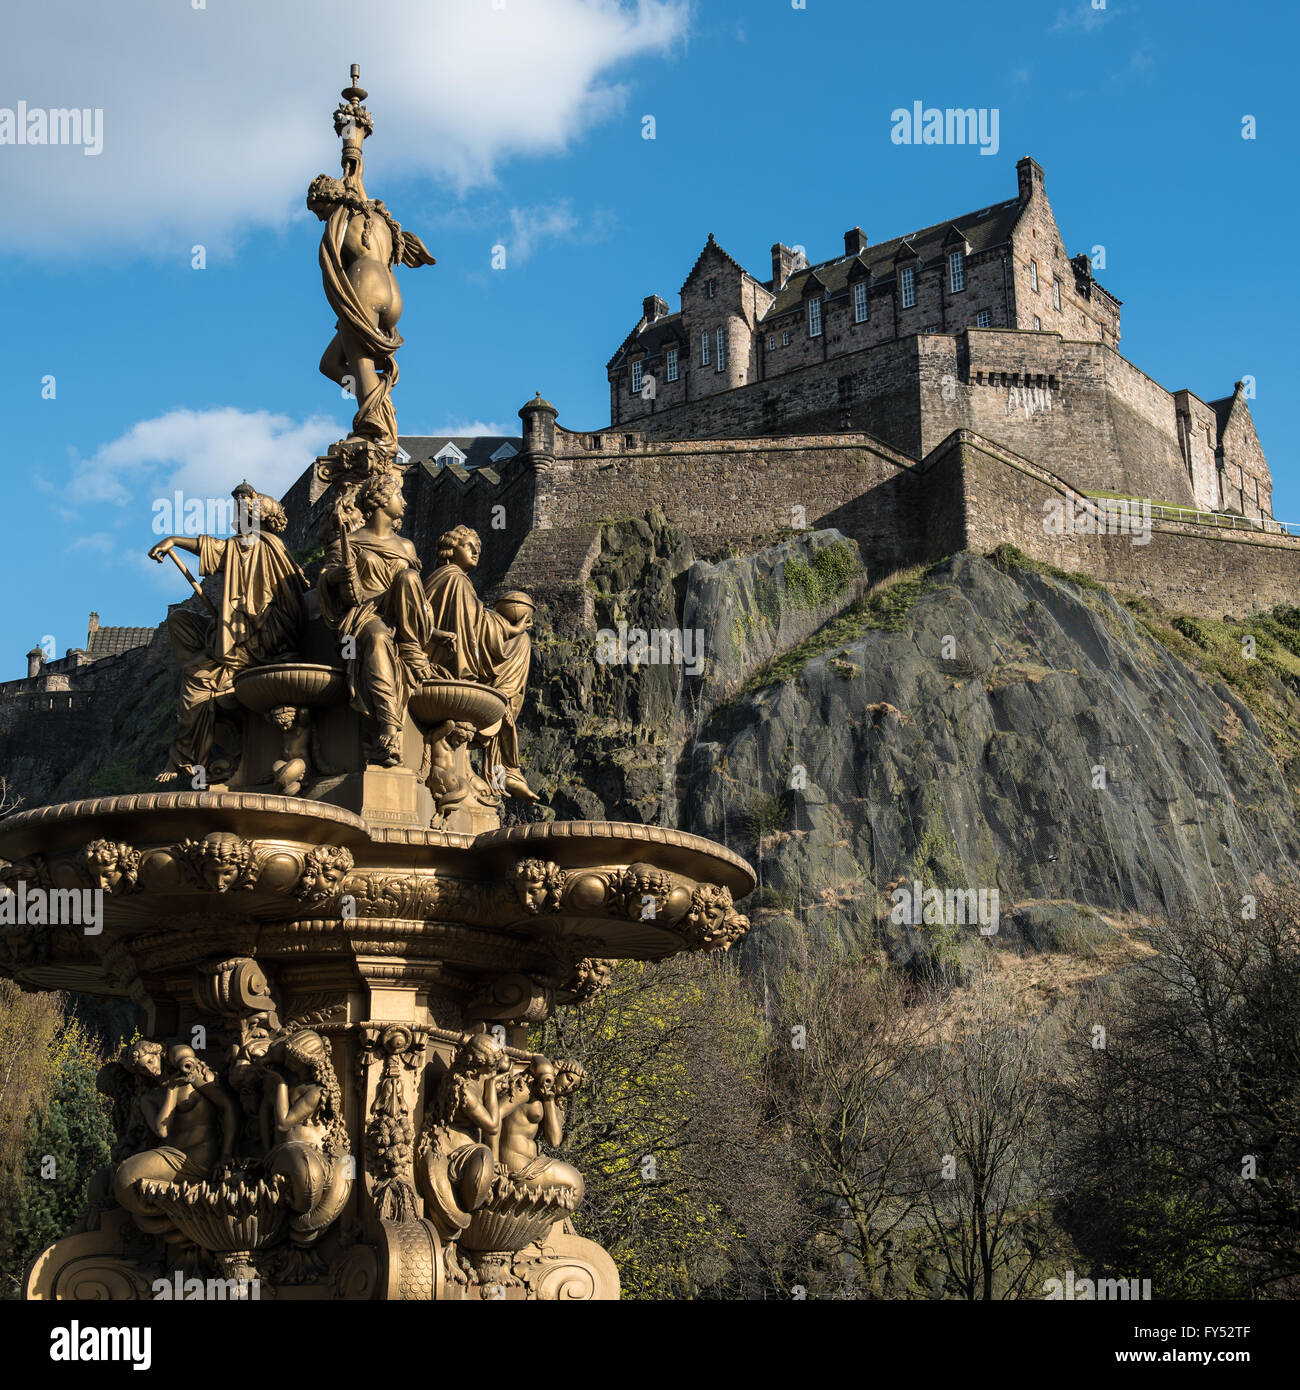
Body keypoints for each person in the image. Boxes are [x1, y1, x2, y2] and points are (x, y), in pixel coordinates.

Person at [149, 488, 307, 782]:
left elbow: (219, 551)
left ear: (255, 517)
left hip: (259, 642)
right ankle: (206, 660)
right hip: (235, 633)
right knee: (181, 620)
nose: (235, 517)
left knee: (197, 684)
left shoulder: (260, 545)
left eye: (242, 511)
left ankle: (184, 759)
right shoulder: (248, 546)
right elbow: (217, 550)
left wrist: (174, 540)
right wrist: (174, 541)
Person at [317, 471, 442, 766]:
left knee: (409, 576)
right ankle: (389, 726)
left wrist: (432, 631)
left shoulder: (407, 547)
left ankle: (411, 648)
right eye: (399, 495)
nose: (406, 502)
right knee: (377, 637)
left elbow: (417, 598)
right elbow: (325, 580)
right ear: (381, 500)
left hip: (400, 616)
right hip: (364, 613)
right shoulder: (349, 541)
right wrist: (338, 574)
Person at [423, 527, 537, 800]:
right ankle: (503, 769)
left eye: (478, 548)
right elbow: (474, 624)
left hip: (449, 656)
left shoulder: (452, 582)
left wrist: (509, 628)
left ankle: (502, 770)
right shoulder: (454, 581)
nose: (475, 551)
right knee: (521, 644)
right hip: (447, 661)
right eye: (468, 545)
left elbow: (476, 620)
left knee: (521, 644)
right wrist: (512, 628)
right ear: (451, 549)